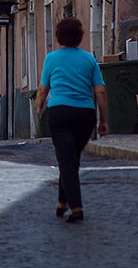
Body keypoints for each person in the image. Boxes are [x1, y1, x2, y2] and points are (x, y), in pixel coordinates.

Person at [35, 17, 108, 223]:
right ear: (79, 36)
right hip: (85, 114)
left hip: (59, 113)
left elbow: (43, 89)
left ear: (58, 37)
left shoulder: (51, 59)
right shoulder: (89, 59)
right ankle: (61, 204)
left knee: (67, 161)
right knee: (70, 159)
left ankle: (76, 208)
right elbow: (100, 91)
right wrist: (103, 120)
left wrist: (39, 106)